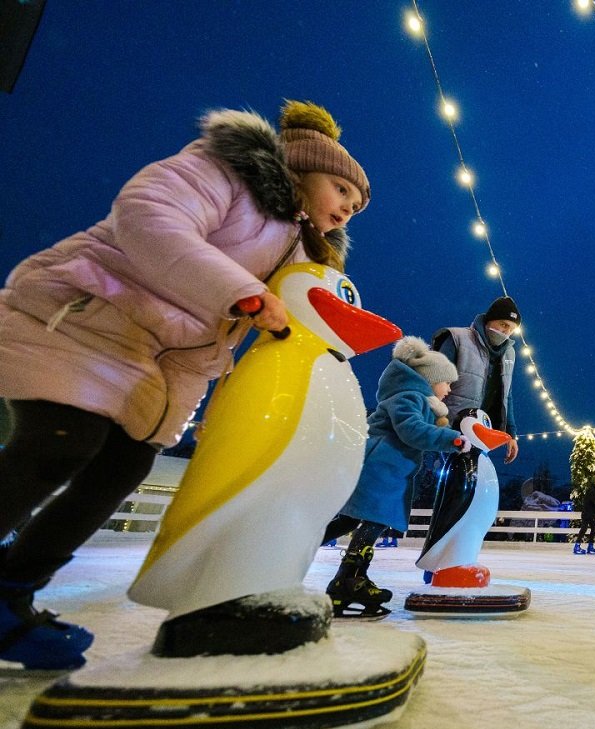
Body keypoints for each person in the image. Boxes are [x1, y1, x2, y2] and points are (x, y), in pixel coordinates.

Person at [0, 100, 370, 669]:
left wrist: (181, 411)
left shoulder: (296, 251)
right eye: (343, 190)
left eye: (359, 203)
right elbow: (148, 217)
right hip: (84, 315)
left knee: (122, 467)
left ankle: (11, 592)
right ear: (299, 168)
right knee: (58, 443)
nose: (350, 207)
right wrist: (241, 292)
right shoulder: (224, 173)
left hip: (148, 358)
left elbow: (243, 333)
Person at [322, 337, 466, 618]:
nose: (449, 389)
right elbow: (411, 431)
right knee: (373, 520)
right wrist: (454, 440)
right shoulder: (408, 397)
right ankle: (348, 579)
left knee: (352, 520)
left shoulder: (412, 399)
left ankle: (342, 575)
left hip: (387, 466)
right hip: (382, 466)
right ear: (430, 379)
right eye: (446, 382)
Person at [432, 296, 521, 465]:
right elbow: (433, 383)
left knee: (471, 483)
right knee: (443, 482)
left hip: (482, 432)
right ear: (490, 319)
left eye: (511, 329)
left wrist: (511, 435)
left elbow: (506, 396)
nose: (506, 332)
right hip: (449, 430)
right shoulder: (458, 339)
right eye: (503, 324)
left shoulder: (509, 353)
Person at [573, 473, 595, 555]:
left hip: (591, 514)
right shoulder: (591, 490)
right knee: (584, 528)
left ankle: (590, 547)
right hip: (587, 514)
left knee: (594, 528)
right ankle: (577, 546)